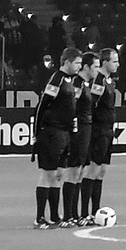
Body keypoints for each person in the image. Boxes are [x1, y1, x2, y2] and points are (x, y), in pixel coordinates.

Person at [31, 50, 76, 229]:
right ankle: (39, 218)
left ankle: (55, 216)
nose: (79, 66)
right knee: (48, 173)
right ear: (67, 62)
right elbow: (42, 105)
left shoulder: (68, 81)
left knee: (59, 174)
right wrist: (36, 133)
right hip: (51, 132)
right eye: (77, 63)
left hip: (64, 133)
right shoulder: (56, 79)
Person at [80, 47, 118, 224]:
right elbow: (90, 104)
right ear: (105, 63)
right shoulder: (99, 82)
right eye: (114, 61)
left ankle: (96, 211)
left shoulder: (109, 81)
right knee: (93, 170)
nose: (118, 64)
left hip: (107, 130)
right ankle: (85, 212)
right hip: (98, 131)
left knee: (101, 171)